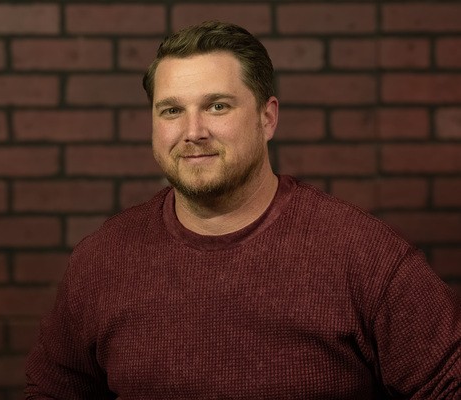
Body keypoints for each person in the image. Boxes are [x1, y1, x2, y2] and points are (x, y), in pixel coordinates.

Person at [25, 21, 460, 399]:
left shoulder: (365, 255)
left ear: (267, 119)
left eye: (217, 106)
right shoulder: (101, 261)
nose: (193, 132)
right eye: (172, 110)